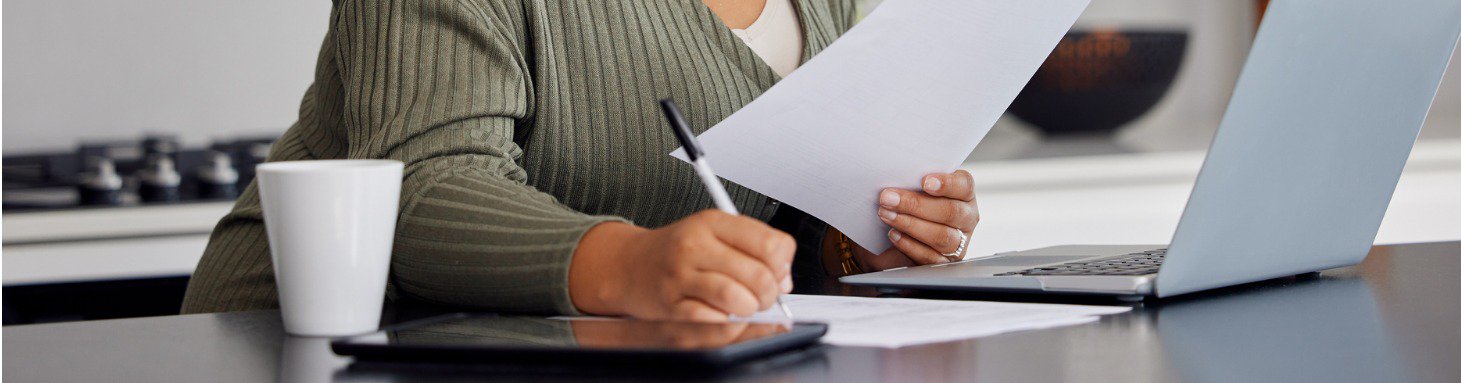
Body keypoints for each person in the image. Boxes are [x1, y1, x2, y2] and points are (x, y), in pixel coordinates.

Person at [182, 0, 981, 321]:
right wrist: (634, 261)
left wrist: (864, 239)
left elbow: (772, 211)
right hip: (308, 351)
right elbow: (425, 190)